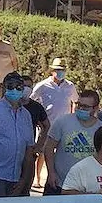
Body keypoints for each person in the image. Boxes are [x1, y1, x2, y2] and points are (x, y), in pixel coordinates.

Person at [43, 88, 102, 195]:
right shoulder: (62, 122)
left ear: (95, 108)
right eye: (79, 104)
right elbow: (48, 147)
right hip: (58, 183)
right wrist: (51, 173)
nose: (81, 108)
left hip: (84, 188)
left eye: (85, 107)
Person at [31, 58, 77, 187]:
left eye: (62, 70)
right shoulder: (43, 85)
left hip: (64, 125)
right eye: (57, 70)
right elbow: (31, 100)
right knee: (42, 152)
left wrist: (73, 117)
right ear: (52, 71)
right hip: (47, 125)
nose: (60, 72)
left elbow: (75, 101)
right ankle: (37, 178)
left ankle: (58, 176)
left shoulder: (70, 86)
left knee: (62, 152)